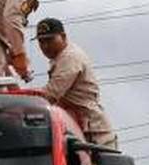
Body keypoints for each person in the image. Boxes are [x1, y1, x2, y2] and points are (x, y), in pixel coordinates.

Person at [32, 18, 118, 148]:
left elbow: (50, 95)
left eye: (50, 40)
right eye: (41, 41)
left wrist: (15, 101)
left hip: (95, 134)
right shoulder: (61, 57)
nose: (45, 46)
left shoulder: (70, 57)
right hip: (79, 130)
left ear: (63, 36)